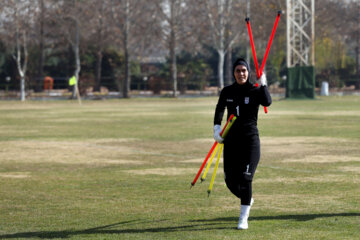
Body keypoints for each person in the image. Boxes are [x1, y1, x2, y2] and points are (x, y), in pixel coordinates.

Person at [213, 58, 271, 230]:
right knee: (230, 181)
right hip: (231, 140)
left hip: (250, 141)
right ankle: (248, 198)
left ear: (248, 72)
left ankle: (243, 218)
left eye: (244, 70)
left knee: (246, 179)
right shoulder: (227, 91)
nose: (241, 73)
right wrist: (216, 128)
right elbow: (219, 109)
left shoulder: (255, 90)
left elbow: (267, 102)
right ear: (234, 73)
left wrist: (264, 84)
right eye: (238, 71)